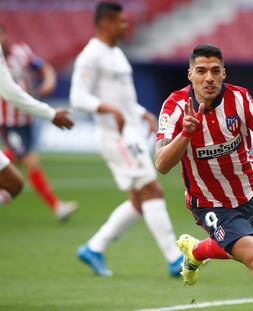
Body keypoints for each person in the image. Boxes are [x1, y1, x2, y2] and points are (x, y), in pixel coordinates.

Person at [155, 44, 253, 310]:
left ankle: (196, 251)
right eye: (201, 71)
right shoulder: (175, 107)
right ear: (190, 74)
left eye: (215, 71)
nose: (208, 78)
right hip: (209, 202)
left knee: (235, 244)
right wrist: (185, 134)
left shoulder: (241, 99)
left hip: (250, 192)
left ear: (224, 73)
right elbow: (162, 163)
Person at [70, 1, 183, 278]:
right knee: (152, 191)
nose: (126, 25)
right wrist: (108, 109)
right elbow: (78, 97)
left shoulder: (116, 53)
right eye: (121, 21)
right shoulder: (91, 55)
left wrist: (143, 113)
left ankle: (94, 248)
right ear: (106, 22)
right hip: (116, 136)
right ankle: (175, 259)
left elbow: (123, 98)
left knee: (138, 201)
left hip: (130, 132)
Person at [0, 25, 78, 221]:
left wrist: (49, 81)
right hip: (8, 121)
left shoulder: (22, 54)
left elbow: (43, 67)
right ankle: (57, 206)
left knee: (17, 160)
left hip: (26, 118)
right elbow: (10, 92)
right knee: (28, 161)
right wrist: (50, 113)